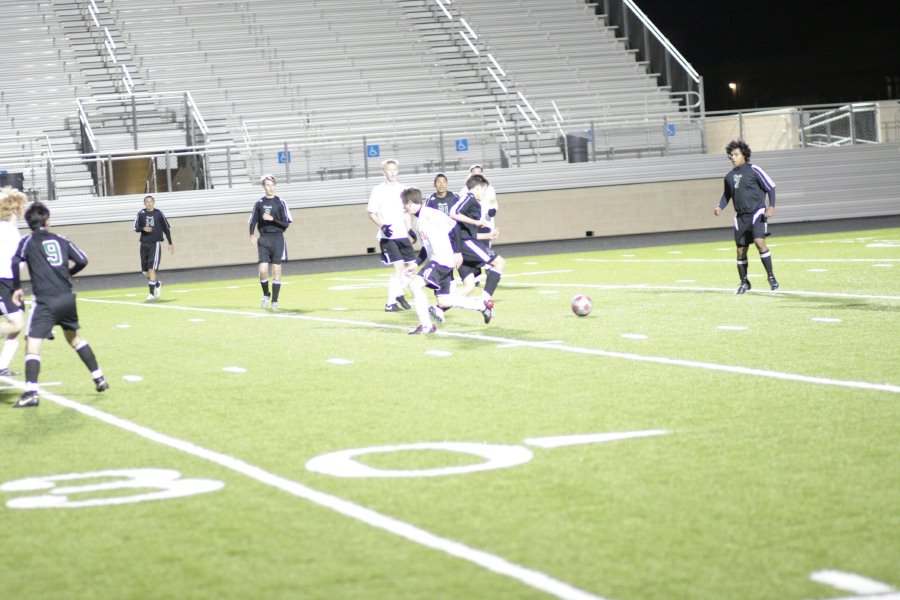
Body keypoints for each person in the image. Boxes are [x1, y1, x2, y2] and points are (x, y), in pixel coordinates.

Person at [10, 202, 108, 408]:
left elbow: (15, 262)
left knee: (32, 344)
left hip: (45, 300)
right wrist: (66, 275)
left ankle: (31, 393)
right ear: (47, 221)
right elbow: (82, 260)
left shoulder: (27, 241)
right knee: (75, 339)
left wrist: (17, 288)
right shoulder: (61, 239)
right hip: (67, 298)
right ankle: (99, 377)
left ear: (29, 223)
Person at [400, 187, 494, 334]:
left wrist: (457, 252)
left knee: (414, 285)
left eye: (404, 205)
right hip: (439, 261)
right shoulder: (418, 222)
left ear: (410, 202)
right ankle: (483, 307)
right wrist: (416, 264)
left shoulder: (431, 214)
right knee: (445, 301)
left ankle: (426, 325)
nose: (404, 208)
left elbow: (455, 226)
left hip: (441, 260)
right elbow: (426, 248)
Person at [437, 173, 504, 324]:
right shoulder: (469, 198)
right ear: (478, 188)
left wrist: (488, 236)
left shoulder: (473, 202)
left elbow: (467, 232)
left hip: (464, 243)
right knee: (499, 263)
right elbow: (453, 213)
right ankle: (485, 301)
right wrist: (476, 221)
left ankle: (439, 308)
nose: (485, 194)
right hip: (465, 245)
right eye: (484, 190)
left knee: (469, 286)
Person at [714, 140, 779, 294]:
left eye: (736, 154)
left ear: (744, 155)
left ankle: (771, 276)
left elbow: (771, 187)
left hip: (757, 212)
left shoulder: (754, 169)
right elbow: (726, 195)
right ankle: (744, 282)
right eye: (731, 155)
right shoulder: (729, 176)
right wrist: (720, 207)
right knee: (740, 251)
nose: (733, 157)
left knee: (759, 241)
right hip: (740, 217)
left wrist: (771, 206)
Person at [366, 159, 416, 312]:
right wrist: (383, 226)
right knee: (399, 268)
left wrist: (409, 229)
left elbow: (407, 211)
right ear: (384, 172)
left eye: (395, 169)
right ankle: (390, 303)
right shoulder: (378, 190)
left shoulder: (404, 189)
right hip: (388, 236)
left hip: (402, 235)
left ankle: (398, 292)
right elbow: (371, 213)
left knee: (413, 267)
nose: (392, 172)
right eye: (389, 169)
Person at [249, 174, 293, 310]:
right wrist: (251, 234)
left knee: (275, 270)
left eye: (273, 185)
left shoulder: (281, 202)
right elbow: (253, 220)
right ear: (263, 186)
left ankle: (274, 301)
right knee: (262, 270)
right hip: (264, 239)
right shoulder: (259, 203)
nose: (271, 188)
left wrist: (272, 219)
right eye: (268, 185)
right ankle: (266, 294)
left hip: (278, 238)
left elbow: (286, 224)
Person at [0, 187, 27, 377]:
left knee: (16, 323)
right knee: (16, 324)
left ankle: (2, 366)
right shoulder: (6, 229)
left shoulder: (11, 229)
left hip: (9, 284)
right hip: (3, 282)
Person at [134, 194, 173, 301]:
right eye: (147, 201)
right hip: (144, 244)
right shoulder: (141, 213)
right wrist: (143, 228)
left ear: (153, 202)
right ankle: (157, 284)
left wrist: (170, 242)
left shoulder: (158, 213)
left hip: (154, 243)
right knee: (145, 271)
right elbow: (135, 227)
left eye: (151, 201)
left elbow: (166, 228)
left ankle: (151, 294)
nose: (149, 203)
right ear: (144, 203)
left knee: (151, 268)